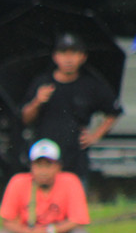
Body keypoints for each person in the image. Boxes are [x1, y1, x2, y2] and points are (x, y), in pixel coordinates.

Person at [22, 33, 122, 184]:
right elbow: (25, 118)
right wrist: (37, 101)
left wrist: (95, 135)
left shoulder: (91, 86)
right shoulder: (42, 82)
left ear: (82, 57)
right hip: (45, 158)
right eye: (63, 53)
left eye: (74, 53)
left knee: (75, 200)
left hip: (76, 158)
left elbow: (113, 111)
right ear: (55, 56)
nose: (68, 59)